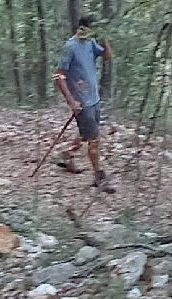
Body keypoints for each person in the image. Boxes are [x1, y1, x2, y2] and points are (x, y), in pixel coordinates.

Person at [53, 15, 114, 192]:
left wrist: (104, 36)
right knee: (94, 140)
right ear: (82, 28)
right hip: (82, 101)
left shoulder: (90, 43)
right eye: (93, 29)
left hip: (94, 98)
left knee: (87, 133)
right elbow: (58, 77)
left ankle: (67, 154)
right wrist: (71, 101)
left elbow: (108, 56)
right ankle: (99, 177)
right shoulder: (70, 47)